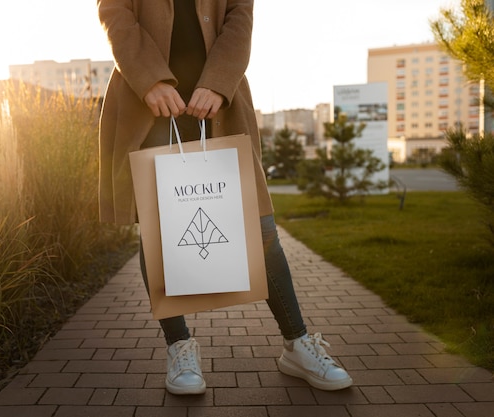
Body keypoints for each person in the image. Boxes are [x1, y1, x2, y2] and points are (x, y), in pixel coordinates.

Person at [97, 0, 353, 395]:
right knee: (158, 229)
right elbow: (115, 13)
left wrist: (218, 80)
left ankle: (297, 344)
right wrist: (149, 79)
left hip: (220, 103)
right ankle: (180, 348)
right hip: (146, 102)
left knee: (258, 223)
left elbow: (240, 15)